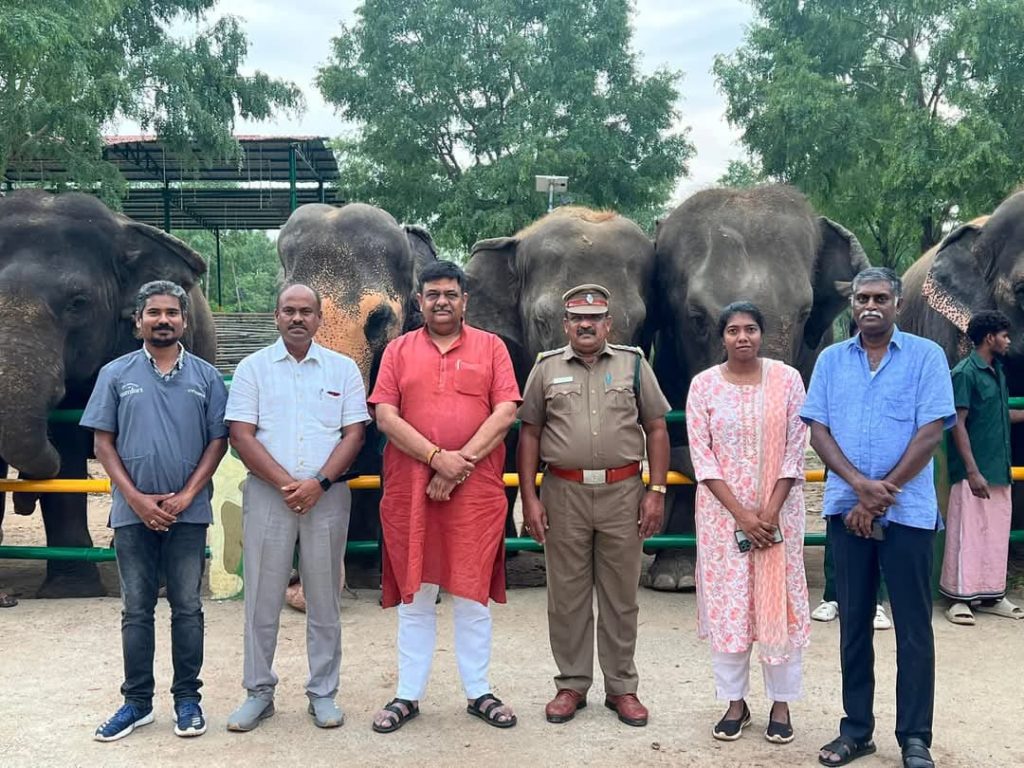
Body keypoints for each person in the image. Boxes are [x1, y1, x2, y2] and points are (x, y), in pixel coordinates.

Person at [802, 267, 955, 768]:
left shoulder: (927, 358)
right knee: (853, 626)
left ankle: (915, 737)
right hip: (847, 513)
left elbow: (931, 430)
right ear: (852, 302)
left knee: (913, 628)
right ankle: (856, 731)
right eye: (862, 297)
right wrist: (858, 490)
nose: (870, 306)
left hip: (907, 513)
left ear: (898, 302)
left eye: (880, 298)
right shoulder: (830, 361)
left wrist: (877, 495)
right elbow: (819, 430)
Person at [368, 260, 521, 733]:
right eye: (432, 294)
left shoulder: (492, 348)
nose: (441, 302)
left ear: (464, 300)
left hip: (474, 491)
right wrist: (437, 459)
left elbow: (505, 412)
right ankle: (408, 695)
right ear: (419, 301)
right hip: (411, 490)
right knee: (417, 594)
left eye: (450, 294)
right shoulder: (397, 351)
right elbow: (386, 417)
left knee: (473, 595)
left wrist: (457, 467)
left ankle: (479, 692)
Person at [518, 284, 670, 728]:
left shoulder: (634, 364)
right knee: (566, 597)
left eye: (595, 318)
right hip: (562, 493)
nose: (586, 325)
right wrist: (529, 498)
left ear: (609, 324)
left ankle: (622, 688)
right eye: (577, 319)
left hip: (624, 493)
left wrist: (656, 491)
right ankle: (571, 684)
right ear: (565, 325)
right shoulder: (546, 369)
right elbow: (529, 433)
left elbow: (656, 429)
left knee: (622, 597)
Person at [83, 280, 228, 741]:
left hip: (188, 514)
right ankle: (137, 703)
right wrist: (136, 499)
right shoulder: (115, 374)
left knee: (187, 608)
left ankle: (188, 699)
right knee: (135, 610)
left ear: (185, 321)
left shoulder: (206, 376)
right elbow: (103, 442)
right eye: (153, 313)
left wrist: (188, 494)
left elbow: (218, 441)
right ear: (137, 322)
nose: (162, 320)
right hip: (132, 513)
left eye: (171, 313)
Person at [224, 283, 368, 731]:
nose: (298, 318)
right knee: (261, 601)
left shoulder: (343, 370)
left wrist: (319, 483)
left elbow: (355, 435)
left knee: (324, 599)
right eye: (290, 310)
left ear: (320, 319)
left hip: (327, 497)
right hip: (270, 496)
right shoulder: (253, 368)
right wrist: (290, 485)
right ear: (276, 315)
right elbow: (241, 435)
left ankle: (323, 693)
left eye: (307, 311)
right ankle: (258, 692)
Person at [684, 301, 810, 745]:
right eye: (733, 330)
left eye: (751, 329)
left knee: (779, 606)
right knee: (731, 608)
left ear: (763, 334)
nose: (742, 337)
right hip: (723, 520)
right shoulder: (703, 387)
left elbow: (797, 449)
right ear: (722, 338)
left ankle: (781, 703)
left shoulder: (788, 381)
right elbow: (703, 457)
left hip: (780, 517)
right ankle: (735, 702)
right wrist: (742, 515)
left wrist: (769, 514)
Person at [941, 310, 1024, 624]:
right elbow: (957, 424)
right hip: (974, 472)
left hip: (998, 468)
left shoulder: (997, 371)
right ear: (989, 337)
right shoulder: (964, 373)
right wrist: (972, 470)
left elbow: (1001, 415)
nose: (1008, 341)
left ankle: (992, 594)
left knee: (996, 534)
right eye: (1004, 335)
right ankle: (958, 597)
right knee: (968, 533)